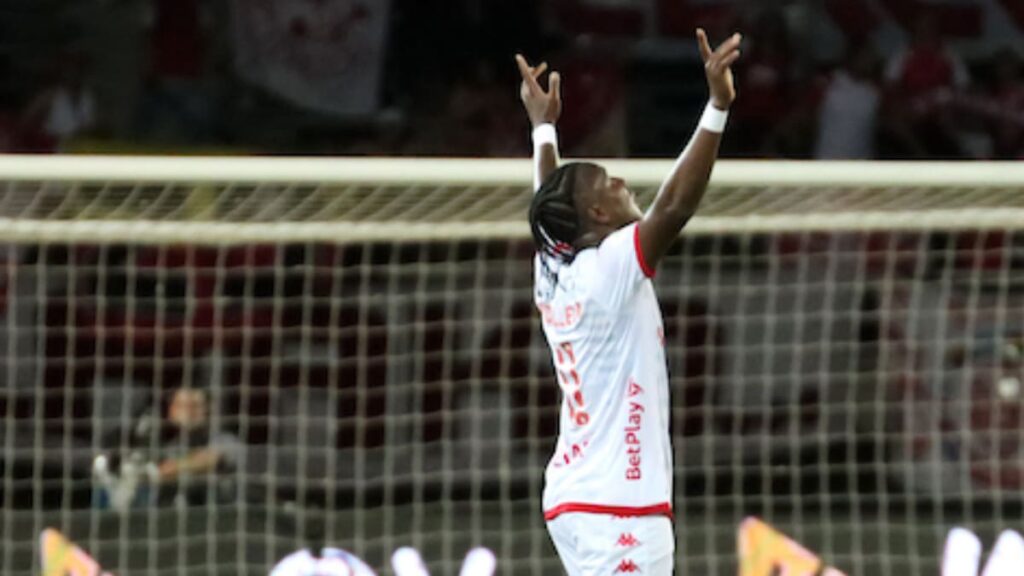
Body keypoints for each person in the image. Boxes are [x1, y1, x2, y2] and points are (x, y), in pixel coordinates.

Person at [516, 26, 741, 575]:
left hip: (578, 497)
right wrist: (716, 107)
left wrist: (544, 131)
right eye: (607, 183)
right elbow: (675, 209)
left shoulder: (556, 264)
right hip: (618, 508)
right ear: (595, 216)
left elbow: (554, 199)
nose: (620, 180)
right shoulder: (610, 266)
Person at [93, 387, 239, 509]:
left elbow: (208, 459)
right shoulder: (158, 444)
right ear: (171, 410)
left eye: (196, 405)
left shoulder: (225, 440)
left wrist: (153, 473)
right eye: (182, 405)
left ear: (207, 411)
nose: (189, 411)